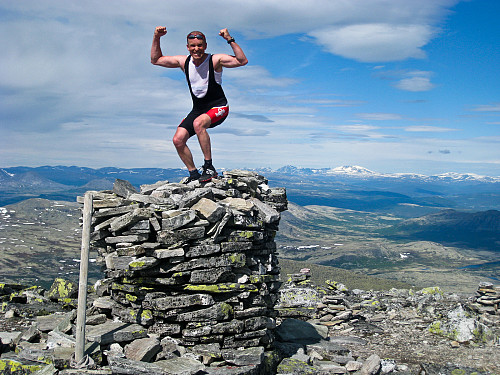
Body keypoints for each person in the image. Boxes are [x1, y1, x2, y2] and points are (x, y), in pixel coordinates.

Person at [151, 26, 248, 183]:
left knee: (198, 123)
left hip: (219, 107)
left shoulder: (215, 60)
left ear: (205, 46)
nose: (196, 49)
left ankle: (209, 167)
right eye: (193, 46)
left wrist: (229, 39)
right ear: (188, 47)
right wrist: (157, 37)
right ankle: (194, 173)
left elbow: (242, 60)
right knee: (178, 140)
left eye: (200, 45)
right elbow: (155, 60)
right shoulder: (184, 62)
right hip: (198, 109)